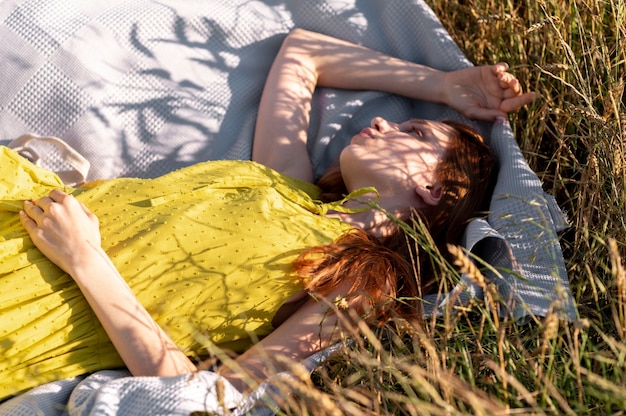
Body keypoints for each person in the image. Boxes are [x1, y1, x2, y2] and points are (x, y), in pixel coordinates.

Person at [0, 28, 534, 399]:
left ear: (433, 189)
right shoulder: (289, 183)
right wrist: (442, 86)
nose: (381, 123)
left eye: (413, 133)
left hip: (26, 309)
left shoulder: (359, 286)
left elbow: (198, 394)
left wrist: (86, 259)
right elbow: (304, 54)